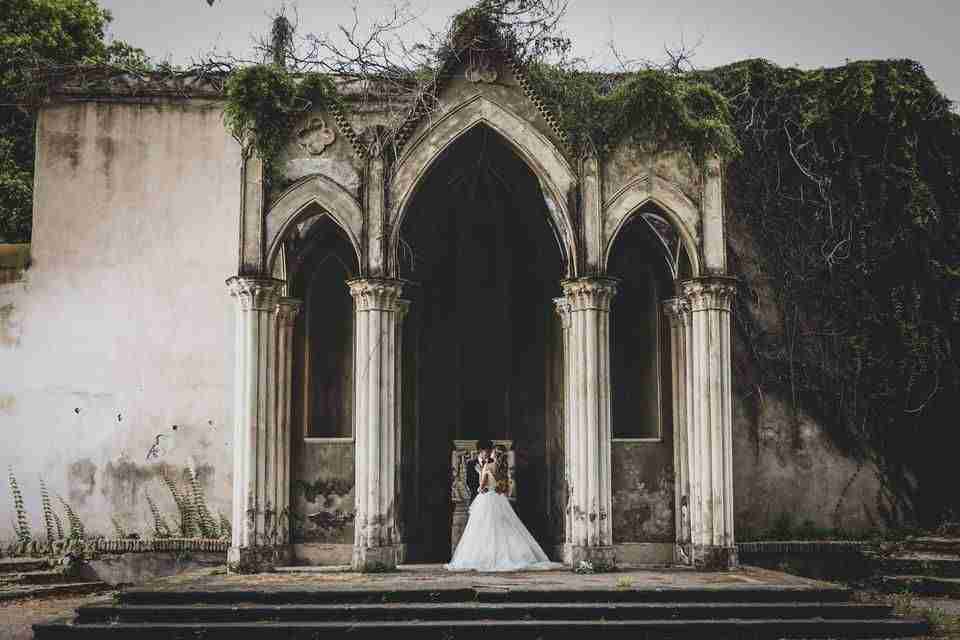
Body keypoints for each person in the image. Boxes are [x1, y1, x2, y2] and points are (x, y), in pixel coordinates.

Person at [445, 446, 560, 572]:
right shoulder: (503, 470)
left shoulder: (487, 467)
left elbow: (481, 486)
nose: (490, 454)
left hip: (486, 500)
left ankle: (486, 557)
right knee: (503, 527)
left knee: (483, 529)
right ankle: (513, 555)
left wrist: (481, 474)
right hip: (499, 499)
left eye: (492, 452)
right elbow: (504, 489)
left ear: (494, 454)